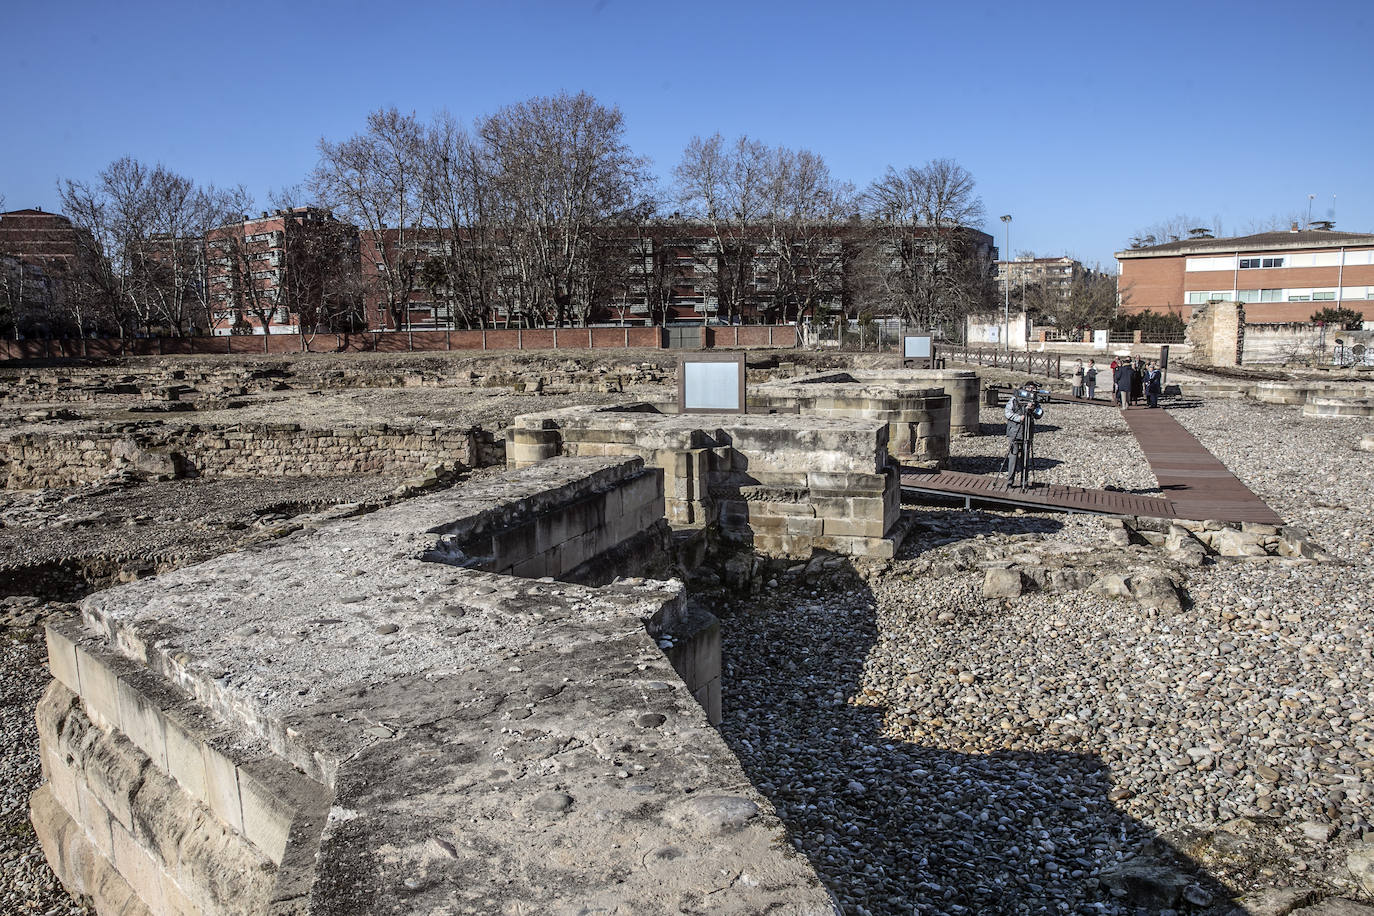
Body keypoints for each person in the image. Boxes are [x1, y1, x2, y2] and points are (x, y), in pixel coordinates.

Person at [1004, 381, 1039, 488]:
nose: (1031, 391)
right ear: (1025, 388)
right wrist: (1019, 418)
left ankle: (1024, 482)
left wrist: (1033, 410)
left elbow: (1040, 414)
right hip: (1014, 432)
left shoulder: (1034, 401)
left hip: (1027, 433)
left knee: (1025, 459)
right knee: (1013, 458)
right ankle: (1010, 482)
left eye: (1033, 389)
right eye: (1030, 388)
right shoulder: (1015, 399)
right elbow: (1007, 413)